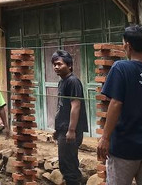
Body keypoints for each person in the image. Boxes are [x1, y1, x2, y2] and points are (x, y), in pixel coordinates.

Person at [97, 25, 142, 185]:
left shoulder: (121, 68)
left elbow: (116, 104)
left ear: (127, 46)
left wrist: (105, 138)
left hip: (124, 148)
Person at [51, 50, 88, 185]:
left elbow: (75, 106)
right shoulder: (62, 82)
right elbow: (61, 107)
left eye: (59, 64)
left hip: (71, 130)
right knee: (66, 163)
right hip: (64, 129)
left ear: (69, 65)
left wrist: (72, 130)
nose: (56, 67)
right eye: (54, 64)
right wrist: (58, 128)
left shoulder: (73, 81)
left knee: (69, 165)